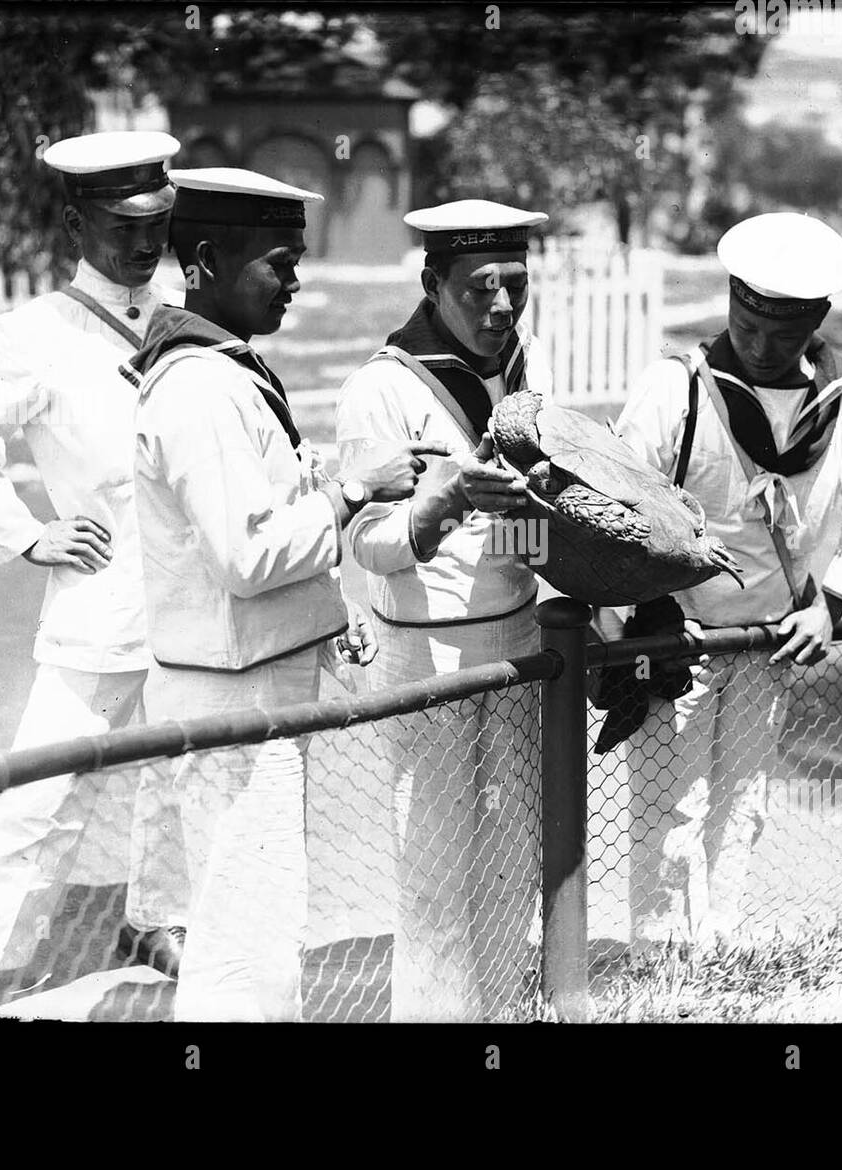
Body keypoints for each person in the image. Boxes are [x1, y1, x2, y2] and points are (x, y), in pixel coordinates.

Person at [126, 167, 446, 1021]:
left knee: (257, 928)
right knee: (246, 942)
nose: (296, 281)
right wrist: (350, 490)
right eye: (279, 262)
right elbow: (245, 557)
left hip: (259, 676)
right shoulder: (199, 384)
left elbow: (263, 530)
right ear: (202, 258)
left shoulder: (227, 369)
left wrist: (327, 618)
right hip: (231, 693)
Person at [0, 131, 192, 1019]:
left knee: (184, 764)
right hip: (104, 595)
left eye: (155, 221)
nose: (143, 243)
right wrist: (31, 536)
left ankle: (158, 918)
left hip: (195, 593)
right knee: (46, 783)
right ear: (76, 220)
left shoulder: (184, 302)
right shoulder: (33, 332)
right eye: (120, 225)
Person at [612, 211, 842, 947]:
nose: (761, 345)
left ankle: (724, 947)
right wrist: (644, 608)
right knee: (669, 810)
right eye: (748, 324)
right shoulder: (674, 391)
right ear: (732, 301)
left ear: (817, 319)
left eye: (784, 333)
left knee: (744, 802)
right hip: (675, 636)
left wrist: (832, 606)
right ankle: (665, 963)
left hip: (771, 636)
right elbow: (611, 508)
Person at [335, 199, 554, 1021]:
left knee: (516, 852)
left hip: (520, 634)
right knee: (433, 865)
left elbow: (527, 528)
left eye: (516, 286)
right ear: (432, 284)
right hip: (428, 654)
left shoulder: (519, 369)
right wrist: (449, 496)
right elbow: (373, 547)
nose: (501, 307)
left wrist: (549, 527)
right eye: (479, 289)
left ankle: (502, 1014)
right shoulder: (380, 389)